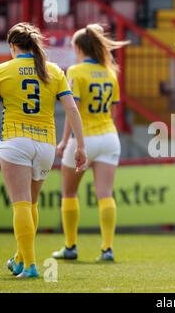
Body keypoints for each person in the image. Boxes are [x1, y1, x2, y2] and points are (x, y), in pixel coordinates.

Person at [0, 22, 86, 278]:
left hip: (16, 142)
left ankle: (30, 265)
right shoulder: (53, 70)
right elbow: (72, 110)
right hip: (46, 145)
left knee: (21, 205)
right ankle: (19, 258)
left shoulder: (2, 70)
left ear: (13, 46)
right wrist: (80, 144)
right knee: (32, 204)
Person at [51, 24, 129, 262]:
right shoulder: (110, 72)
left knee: (69, 193)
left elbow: (72, 110)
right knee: (105, 194)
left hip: (83, 139)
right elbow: (114, 110)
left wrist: (64, 141)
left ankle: (70, 246)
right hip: (109, 137)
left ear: (78, 47)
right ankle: (107, 249)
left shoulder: (75, 71)